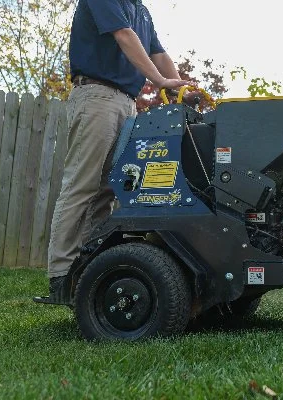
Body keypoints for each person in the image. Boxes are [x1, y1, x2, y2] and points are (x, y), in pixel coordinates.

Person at [47, 0, 193, 296]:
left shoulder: (141, 10)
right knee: (82, 184)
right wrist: (160, 80)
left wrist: (178, 87)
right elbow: (124, 35)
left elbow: (158, 52)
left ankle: (89, 265)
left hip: (127, 102)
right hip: (96, 95)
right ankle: (61, 273)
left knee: (109, 189)